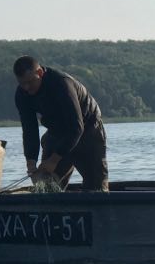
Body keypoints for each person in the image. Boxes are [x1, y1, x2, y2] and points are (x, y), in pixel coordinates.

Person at [12, 55, 109, 191]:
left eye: (30, 82)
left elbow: (76, 128)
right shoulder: (22, 94)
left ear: (40, 73)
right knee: (46, 185)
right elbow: (30, 130)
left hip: (87, 129)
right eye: (22, 83)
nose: (27, 88)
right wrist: (31, 160)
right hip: (57, 132)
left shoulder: (62, 84)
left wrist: (53, 160)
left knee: (96, 187)